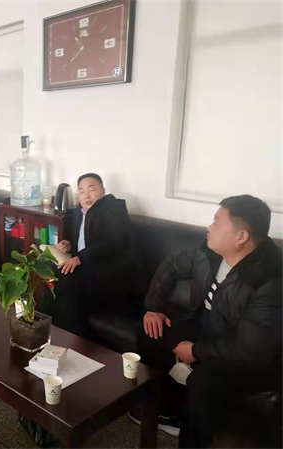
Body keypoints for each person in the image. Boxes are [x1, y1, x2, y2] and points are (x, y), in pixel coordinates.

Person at [131, 195, 282, 447]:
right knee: (149, 332)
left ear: (241, 236)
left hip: (246, 355)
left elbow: (251, 349)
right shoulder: (210, 251)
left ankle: (194, 439)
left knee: (203, 380)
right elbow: (172, 265)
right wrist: (154, 308)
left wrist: (195, 351)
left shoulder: (269, 279)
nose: (209, 227)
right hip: (206, 329)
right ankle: (171, 411)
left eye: (217, 222)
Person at [48, 173, 141, 336]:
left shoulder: (114, 210)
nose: (86, 195)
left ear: (103, 191)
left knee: (67, 286)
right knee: (51, 274)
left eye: (91, 189)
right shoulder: (78, 213)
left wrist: (80, 258)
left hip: (111, 274)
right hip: (87, 270)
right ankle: (49, 332)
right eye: (81, 191)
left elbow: (113, 241)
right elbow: (80, 238)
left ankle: (73, 339)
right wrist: (68, 243)